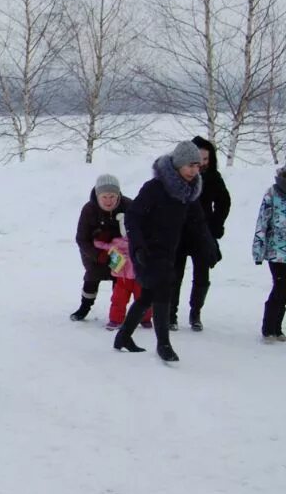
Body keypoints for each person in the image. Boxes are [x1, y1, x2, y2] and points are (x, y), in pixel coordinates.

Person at [114, 141, 218, 361]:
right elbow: (133, 216)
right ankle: (164, 345)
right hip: (147, 249)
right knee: (163, 291)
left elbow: (198, 222)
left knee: (148, 295)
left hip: (168, 250)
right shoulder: (155, 187)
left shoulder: (189, 192)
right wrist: (139, 245)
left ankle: (123, 336)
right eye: (190, 165)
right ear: (178, 164)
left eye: (197, 166)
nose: (194, 170)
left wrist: (210, 245)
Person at [171, 136, 231, 331]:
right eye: (199, 159)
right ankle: (171, 314)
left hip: (202, 234)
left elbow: (224, 202)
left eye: (207, 159)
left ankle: (195, 313)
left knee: (202, 276)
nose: (203, 164)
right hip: (179, 233)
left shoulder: (214, 177)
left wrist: (215, 225)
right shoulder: (179, 176)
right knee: (175, 275)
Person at [70, 174, 130, 322]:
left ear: (118, 195)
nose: (108, 201)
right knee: (92, 276)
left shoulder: (128, 206)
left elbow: (138, 229)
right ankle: (85, 307)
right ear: (97, 195)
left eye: (112, 196)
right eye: (104, 197)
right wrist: (98, 255)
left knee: (120, 278)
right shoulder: (89, 209)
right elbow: (81, 239)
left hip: (120, 251)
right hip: (94, 250)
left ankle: (117, 312)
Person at [94, 211, 152, 331]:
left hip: (139, 278)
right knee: (118, 299)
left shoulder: (143, 242)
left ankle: (145, 318)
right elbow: (102, 245)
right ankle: (115, 319)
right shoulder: (117, 242)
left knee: (143, 298)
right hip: (122, 278)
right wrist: (99, 238)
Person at [253, 165, 286, 342]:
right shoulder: (273, 193)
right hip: (276, 251)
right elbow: (262, 223)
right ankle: (268, 328)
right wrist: (258, 250)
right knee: (280, 286)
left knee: (284, 290)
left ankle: (277, 328)